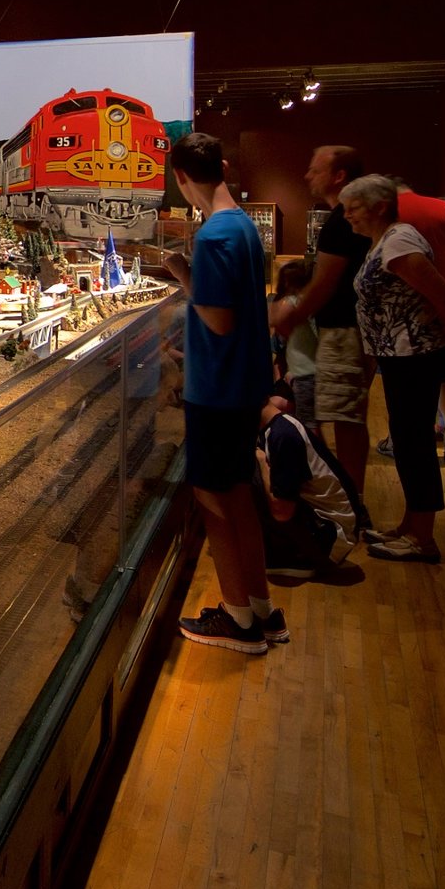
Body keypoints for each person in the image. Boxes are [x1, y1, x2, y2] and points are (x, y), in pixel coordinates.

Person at [160, 130, 280, 653]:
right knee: (238, 494)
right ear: (224, 167)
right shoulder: (244, 227)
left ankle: (237, 620)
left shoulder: (212, 236)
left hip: (217, 392)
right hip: (244, 380)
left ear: (182, 178)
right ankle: (258, 609)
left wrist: (185, 277)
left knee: (213, 498)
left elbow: (219, 318)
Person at [339, 174, 445, 561]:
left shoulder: (398, 243)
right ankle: (410, 525)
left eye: (353, 209)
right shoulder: (387, 241)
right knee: (409, 441)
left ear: (379, 207)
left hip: (415, 357)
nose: (347, 217)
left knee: (414, 445)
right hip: (400, 358)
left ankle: (422, 538)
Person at [267, 146, 373, 509]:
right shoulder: (342, 217)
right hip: (346, 329)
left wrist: (290, 317)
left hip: (345, 329)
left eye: (316, 170)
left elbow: (327, 281)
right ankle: (345, 494)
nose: (308, 176)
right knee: (341, 417)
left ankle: (351, 502)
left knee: (345, 418)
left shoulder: (342, 219)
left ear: (339, 175)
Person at [375, 184, 445, 466]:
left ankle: (399, 439)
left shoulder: (384, 211)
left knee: (401, 383)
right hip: (442, 305)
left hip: (399, 313)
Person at [258, 389, 359, 579]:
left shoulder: (283, 435)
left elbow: (282, 511)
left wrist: (262, 462)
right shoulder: (280, 425)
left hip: (329, 541)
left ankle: (294, 558)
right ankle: (284, 551)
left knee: (253, 476)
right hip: (328, 530)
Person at [272, 258, 321, 426]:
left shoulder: (293, 303)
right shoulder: (308, 303)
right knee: (310, 421)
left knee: (307, 424)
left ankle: (311, 452)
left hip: (304, 372)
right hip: (306, 371)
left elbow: (277, 320)